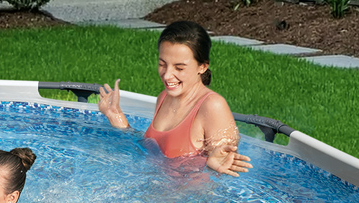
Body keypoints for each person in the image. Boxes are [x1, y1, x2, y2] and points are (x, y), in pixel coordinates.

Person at [96, 21, 253, 178]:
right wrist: (116, 116)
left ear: (202, 67)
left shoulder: (212, 106)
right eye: (162, 64)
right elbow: (152, 150)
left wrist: (212, 165)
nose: (167, 75)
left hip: (190, 194)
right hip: (152, 187)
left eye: (179, 68)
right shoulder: (164, 97)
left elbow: (224, 165)